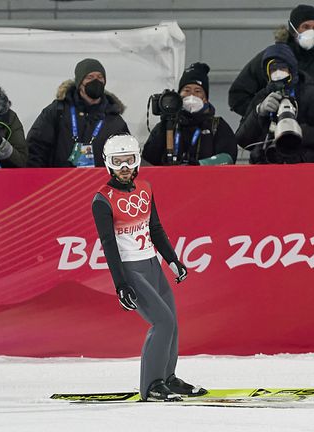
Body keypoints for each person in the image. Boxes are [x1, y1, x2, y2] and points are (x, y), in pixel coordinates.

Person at [91, 134, 204, 401]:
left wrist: (173, 260)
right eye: (117, 162)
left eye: (128, 160)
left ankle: (168, 378)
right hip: (131, 269)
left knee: (172, 322)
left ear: (137, 160)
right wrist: (121, 285)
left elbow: (155, 228)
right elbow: (109, 245)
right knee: (162, 322)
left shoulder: (146, 188)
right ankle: (152, 385)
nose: (124, 167)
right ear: (108, 164)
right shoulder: (102, 200)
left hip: (152, 263)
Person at [228, 4, 314, 163]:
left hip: (306, 153)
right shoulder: (270, 59)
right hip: (268, 152)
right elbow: (238, 96)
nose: (311, 32)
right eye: (305, 26)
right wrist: (264, 116)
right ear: (293, 28)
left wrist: (298, 125)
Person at [234, 42, 314, 164]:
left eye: (282, 68)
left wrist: (296, 132)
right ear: (267, 73)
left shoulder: (311, 95)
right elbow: (241, 140)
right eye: (273, 69)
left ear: (291, 69)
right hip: (265, 167)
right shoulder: (262, 97)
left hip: (303, 167)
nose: (278, 72)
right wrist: (259, 112)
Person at [27, 58, 129, 167]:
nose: (96, 81)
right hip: (60, 181)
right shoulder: (58, 111)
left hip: (100, 181)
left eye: (100, 77)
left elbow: (127, 155)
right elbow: (36, 147)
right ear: (79, 83)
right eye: (90, 77)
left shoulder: (114, 119)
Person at [142, 62, 238, 166]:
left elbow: (228, 157)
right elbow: (148, 159)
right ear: (178, 95)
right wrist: (164, 126)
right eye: (186, 90)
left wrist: (199, 165)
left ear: (205, 99)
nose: (192, 95)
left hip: (206, 180)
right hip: (169, 180)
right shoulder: (167, 126)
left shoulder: (217, 126)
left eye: (197, 91)